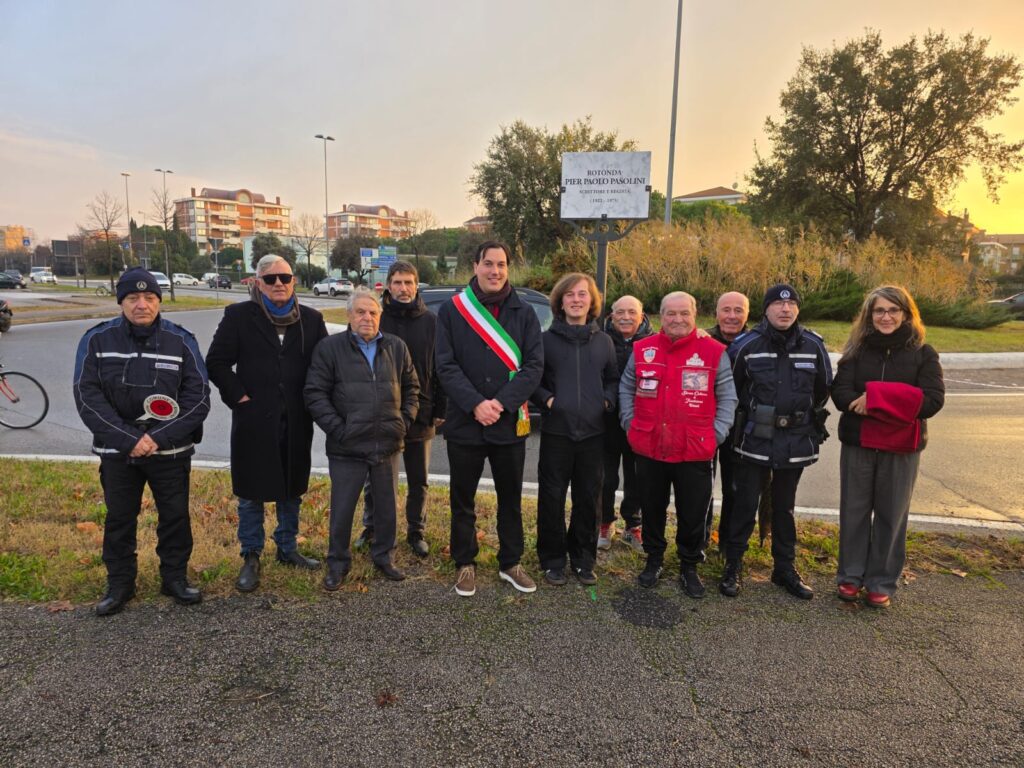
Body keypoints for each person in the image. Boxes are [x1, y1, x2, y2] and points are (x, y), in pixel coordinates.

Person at [73, 267, 210, 616]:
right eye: (133, 298)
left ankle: (174, 578)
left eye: (149, 298)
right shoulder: (97, 340)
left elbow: (198, 397)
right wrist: (128, 439)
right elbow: (86, 395)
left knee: (175, 516)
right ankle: (120, 584)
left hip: (170, 449)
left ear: (159, 301)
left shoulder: (181, 340)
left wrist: (157, 437)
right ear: (121, 302)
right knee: (120, 518)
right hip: (119, 450)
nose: (141, 305)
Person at [206, 255, 328, 593]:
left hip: (296, 418)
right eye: (270, 278)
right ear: (257, 282)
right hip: (253, 419)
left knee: (292, 486)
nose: (278, 284)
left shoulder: (312, 320)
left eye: (284, 278)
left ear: (294, 281)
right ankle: (251, 555)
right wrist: (239, 397)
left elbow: (322, 368)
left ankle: (288, 549)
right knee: (251, 491)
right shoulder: (239, 316)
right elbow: (216, 362)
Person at [435, 240, 544, 597]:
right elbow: (445, 366)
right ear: (476, 265)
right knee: (462, 498)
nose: (495, 271)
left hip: (508, 421)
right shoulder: (453, 311)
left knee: (510, 498)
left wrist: (499, 403)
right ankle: (465, 563)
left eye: (501, 265)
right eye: (489, 264)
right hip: (466, 422)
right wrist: (475, 404)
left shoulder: (524, 312)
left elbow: (533, 367)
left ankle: (511, 562)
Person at [831, 286, 944, 608]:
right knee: (853, 511)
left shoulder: (924, 352)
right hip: (859, 443)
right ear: (869, 316)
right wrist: (889, 401)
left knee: (891, 514)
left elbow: (932, 401)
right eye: (879, 311)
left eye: (894, 310)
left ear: (907, 314)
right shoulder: (855, 350)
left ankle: (880, 581)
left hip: (902, 448)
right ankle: (850, 577)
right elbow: (841, 394)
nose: (886, 317)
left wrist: (875, 399)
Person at [619, 292, 737, 597]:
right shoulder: (642, 349)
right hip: (649, 446)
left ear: (695, 315)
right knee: (652, 507)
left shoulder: (713, 352)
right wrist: (631, 427)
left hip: (694, 450)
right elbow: (627, 388)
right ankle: (654, 558)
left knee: (693, 512)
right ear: (660, 316)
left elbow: (728, 398)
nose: (678, 319)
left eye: (684, 313)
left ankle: (689, 565)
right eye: (671, 313)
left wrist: (716, 435)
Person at [723, 284, 832, 599]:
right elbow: (732, 389)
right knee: (745, 504)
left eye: (791, 305)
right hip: (755, 438)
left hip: (795, 439)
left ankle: (784, 568)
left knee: (784, 508)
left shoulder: (812, 345)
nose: (785, 310)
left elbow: (823, 388)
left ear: (797, 309)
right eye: (778, 305)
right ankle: (733, 566)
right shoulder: (747, 345)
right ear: (766, 309)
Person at [304, 289, 419, 589]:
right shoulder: (329, 348)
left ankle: (384, 556)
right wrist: (339, 430)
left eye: (372, 312)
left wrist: (402, 423)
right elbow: (315, 394)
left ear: (380, 316)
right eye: (360, 312)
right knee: (342, 509)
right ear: (349, 315)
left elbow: (412, 389)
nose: (367, 317)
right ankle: (338, 563)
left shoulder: (396, 347)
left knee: (386, 507)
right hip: (347, 447)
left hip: (387, 443)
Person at [355, 261, 447, 558]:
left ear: (417, 285)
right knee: (377, 477)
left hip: (422, 412)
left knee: (418, 479)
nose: (403, 289)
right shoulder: (376, 319)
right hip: (381, 413)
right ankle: (372, 527)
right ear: (388, 286)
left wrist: (440, 407)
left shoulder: (432, 322)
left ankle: (416, 529)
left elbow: (440, 368)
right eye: (397, 283)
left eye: (409, 282)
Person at [532, 273, 618, 586]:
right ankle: (553, 559)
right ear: (560, 301)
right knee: (551, 498)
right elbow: (534, 382)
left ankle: (583, 558)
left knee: (588, 498)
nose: (576, 299)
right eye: (569, 295)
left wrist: (606, 401)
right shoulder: (545, 341)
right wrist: (550, 401)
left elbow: (612, 379)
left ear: (591, 301)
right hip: (557, 434)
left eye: (582, 294)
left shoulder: (604, 342)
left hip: (593, 435)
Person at [599, 295, 653, 552]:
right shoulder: (599, 339)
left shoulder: (654, 343)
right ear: (611, 315)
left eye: (632, 311)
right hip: (606, 421)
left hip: (641, 421)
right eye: (620, 311)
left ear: (642, 315)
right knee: (605, 478)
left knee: (639, 478)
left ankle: (633, 526)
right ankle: (603, 523)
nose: (625, 316)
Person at [703, 291, 751, 549]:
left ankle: (728, 545)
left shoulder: (757, 341)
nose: (732, 316)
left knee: (735, 488)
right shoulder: (701, 339)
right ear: (716, 313)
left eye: (738, 310)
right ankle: (701, 539)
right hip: (705, 425)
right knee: (702, 488)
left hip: (743, 427)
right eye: (726, 310)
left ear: (748, 314)